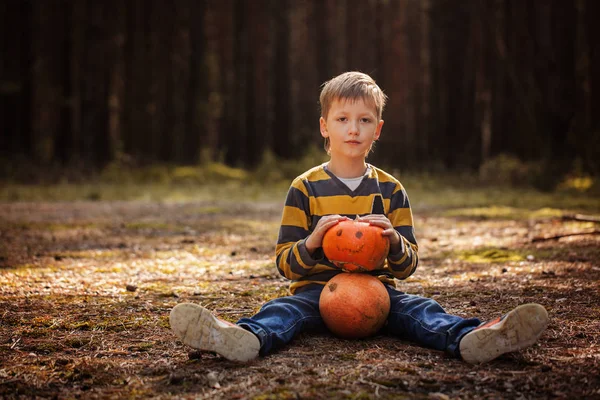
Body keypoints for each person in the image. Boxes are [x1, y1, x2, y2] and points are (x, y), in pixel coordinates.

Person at [170, 71, 549, 364]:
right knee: (282, 311)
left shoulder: (391, 190)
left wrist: (395, 242)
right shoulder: (305, 188)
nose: (353, 129)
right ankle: (241, 338)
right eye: (342, 119)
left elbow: (408, 266)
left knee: (420, 311)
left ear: (377, 130)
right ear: (325, 126)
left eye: (365, 120)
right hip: (317, 294)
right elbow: (286, 263)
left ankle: (473, 338)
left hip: (377, 294)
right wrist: (313, 241)